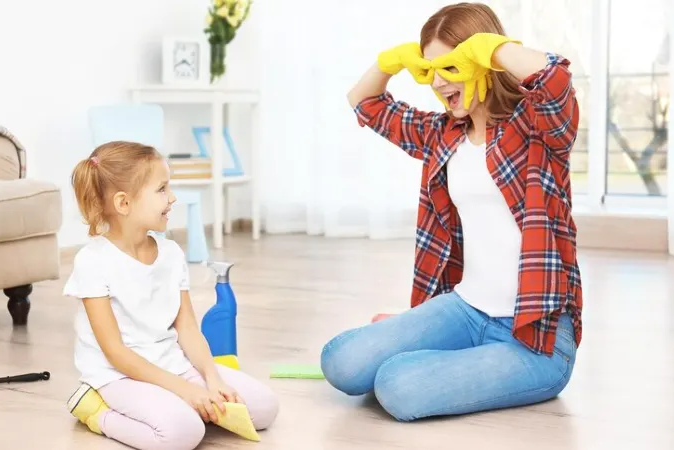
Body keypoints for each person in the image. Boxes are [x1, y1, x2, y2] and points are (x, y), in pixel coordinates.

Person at [320, 2, 582, 422]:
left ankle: (459, 360)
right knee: (341, 362)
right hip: (463, 308)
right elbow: (364, 102)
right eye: (431, 70)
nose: (440, 82)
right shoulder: (441, 134)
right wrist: (391, 61)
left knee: (397, 385)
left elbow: (555, 80)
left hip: (535, 339)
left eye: (452, 67)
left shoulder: (536, 128)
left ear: (482, 62)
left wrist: (494, 48)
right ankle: (451, 352)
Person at [62, 141, 279, 449]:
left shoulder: (171, 253)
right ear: (124, 203)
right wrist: (184, 390)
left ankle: (182, 404)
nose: (172, 198)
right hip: (119, 376)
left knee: (264, 408)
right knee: (183, 434)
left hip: (173, 364)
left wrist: (212, 377)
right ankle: (96, 411)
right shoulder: (92, 261)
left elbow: (187, 328)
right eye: (162, 189)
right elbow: (115, 353)